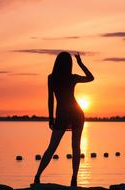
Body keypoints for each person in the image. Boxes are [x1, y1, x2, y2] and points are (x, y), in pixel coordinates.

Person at [33, 51, 94, 187]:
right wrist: (81, 64)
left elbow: (50, 100)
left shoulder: (51, 78)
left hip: (63, 114)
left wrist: (51, 118)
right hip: (75, 113)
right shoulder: (71, 77)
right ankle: (73, 179)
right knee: (75, 147)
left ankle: (38, 176)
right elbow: (91, 77)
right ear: (69, 64)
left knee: (53, 147)